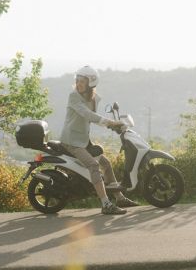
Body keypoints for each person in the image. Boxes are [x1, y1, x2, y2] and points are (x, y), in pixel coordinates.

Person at [60, 66, 140, 215]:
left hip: (83, 139)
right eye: (77, 80)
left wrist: (112, 126)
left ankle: (119, 197)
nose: (78, 84)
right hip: (71, 140)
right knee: (93, 165)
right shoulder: (74, 96)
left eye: (82, 81)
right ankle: (105, 204)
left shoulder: (93, 98)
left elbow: (91, 119)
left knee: (106, 164)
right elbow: (87, 115)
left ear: (91, 83)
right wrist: (110, 123)